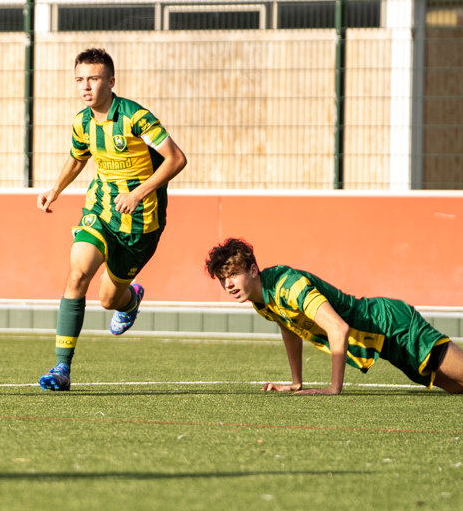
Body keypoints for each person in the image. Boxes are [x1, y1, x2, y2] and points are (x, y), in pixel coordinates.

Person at [36, 48, 187, 391]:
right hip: (100, 212)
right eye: (79, 79)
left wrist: (139, 193)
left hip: (140, 225)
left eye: (93, 78)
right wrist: (55, 190)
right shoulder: (82, 122)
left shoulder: (136, 118)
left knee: (107, 300)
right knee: (77, 274)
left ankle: (130, 300)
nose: (85, 86)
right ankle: (62, 368)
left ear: (111, 81)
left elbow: (176, 159)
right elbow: (78, 158)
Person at [204, 237, 463, 394]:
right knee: (456, 388)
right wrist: (297, 382)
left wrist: (333, 388)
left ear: (252, 270)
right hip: (384, 344)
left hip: (393, 325)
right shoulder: (261, 300)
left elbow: (338, 329)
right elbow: (288, 326)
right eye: (223, 279)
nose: (228, 284)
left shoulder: (288, 286)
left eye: (233, 275)